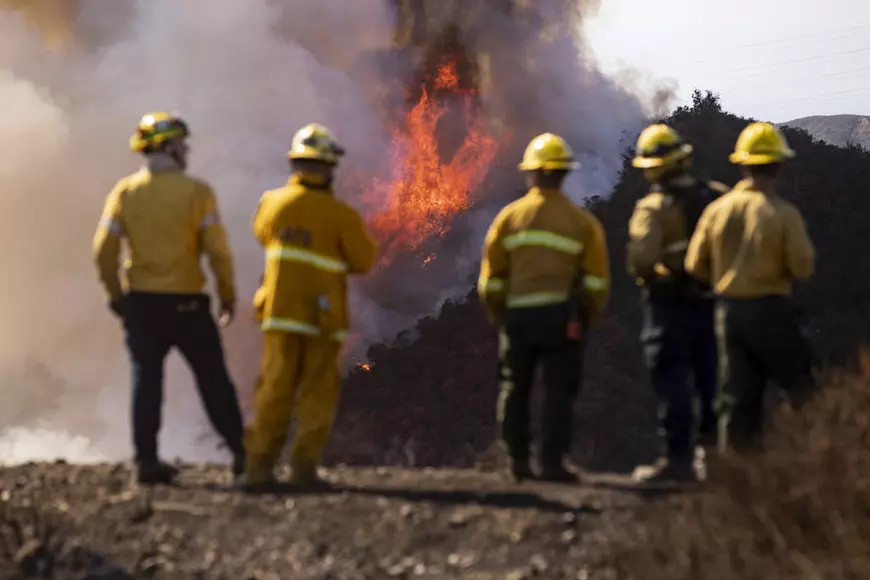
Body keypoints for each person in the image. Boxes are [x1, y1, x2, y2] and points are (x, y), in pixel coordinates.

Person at [93, 112, 245, 484]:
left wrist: (116, 296)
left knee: (146, 382)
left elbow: (103, 251)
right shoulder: (196, 192)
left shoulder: (125, 192)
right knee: (213, 380)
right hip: (187, 304)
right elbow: (218, 253)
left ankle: (146, 462)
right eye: (181, 143)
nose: (186, 149)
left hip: (143, 304)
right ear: (167, 146)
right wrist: (227, 296)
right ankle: (243, 456)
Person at [240, 123, 379, 489]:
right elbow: (364, 260)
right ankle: (303, 471)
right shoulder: (341, 216)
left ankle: (258, 470)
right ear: (329, 167)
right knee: (316, 395)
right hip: (322, 319)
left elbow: (260, 234)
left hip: (280, 314)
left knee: (273, 391)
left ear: (295, 163)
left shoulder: (272, 204)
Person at [477, 132, 610, 483]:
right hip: (561, 321)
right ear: (564, 174)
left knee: (515, 389)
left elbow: (491, 280)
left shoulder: (509, 218)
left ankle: (517, 462)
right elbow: (597, 283)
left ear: (531, 173)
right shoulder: (581, 223)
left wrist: (499, 314)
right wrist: (587, 318)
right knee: (558, 391)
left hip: (518, 318)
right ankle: (553, 464)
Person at [685, 121, 815, 455]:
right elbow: (802, 267)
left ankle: (736, 475)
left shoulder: (717, 210)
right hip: (770, 310)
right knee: (802, 390)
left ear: (742, 164)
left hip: (728, 314)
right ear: (779, 165)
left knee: (737, 400)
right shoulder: (783, 214)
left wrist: (722, 275)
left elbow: (694, 264)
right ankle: (817, 463)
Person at [626, 124, 729, 483]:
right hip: (712, 303)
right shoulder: (718, 198)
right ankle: (716, 462)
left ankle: (678, 461)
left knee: (673, 381)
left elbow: (641, 259)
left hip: (668, 307)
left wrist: (659, 278)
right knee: (711, 380)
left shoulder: (653, 208)